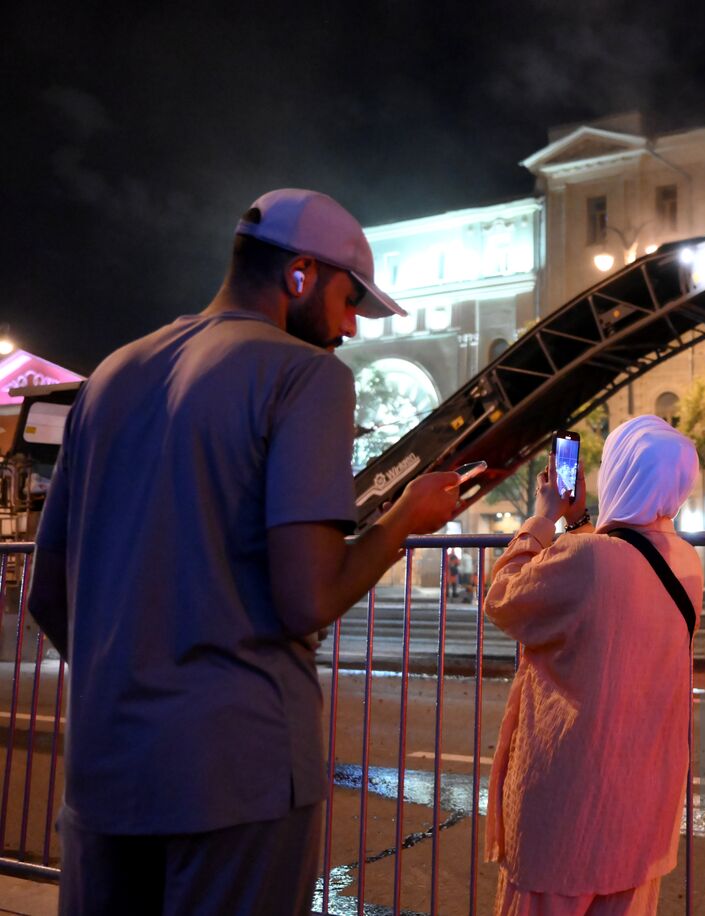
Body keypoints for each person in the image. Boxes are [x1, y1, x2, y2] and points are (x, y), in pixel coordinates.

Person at [25, 188, 463, 915]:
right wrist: (401, 525)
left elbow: (47, 593)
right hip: (238, 775)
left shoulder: (109, 375)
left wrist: (135, 681)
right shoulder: (307, 376)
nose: (352, 327)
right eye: (351, 299)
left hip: (104, 773)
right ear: (301, 275)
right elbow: (307, 598)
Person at [483, 415, 702, 916]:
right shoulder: (688, 562)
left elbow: (504, 597)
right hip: (643, 804)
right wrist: (578, 525)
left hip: (570, 806)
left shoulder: (588, 559)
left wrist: (543, 518)